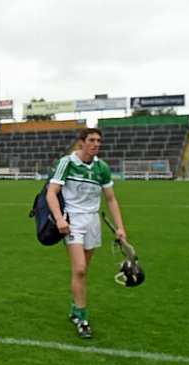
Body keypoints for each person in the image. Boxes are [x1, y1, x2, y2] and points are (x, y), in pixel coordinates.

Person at [46, 128, 127, 339]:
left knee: (82, 271)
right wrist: (59, 219)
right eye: (92, 140)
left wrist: (120, 227)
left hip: (93, 222)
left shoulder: (102, 168)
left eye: (99, 140)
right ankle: (82, 318)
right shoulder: (68, 163)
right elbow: (51, 193)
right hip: (72, 222)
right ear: (82, 142)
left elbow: (111, 199)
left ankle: (75, 308)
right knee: (80, 269)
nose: (96, 144)